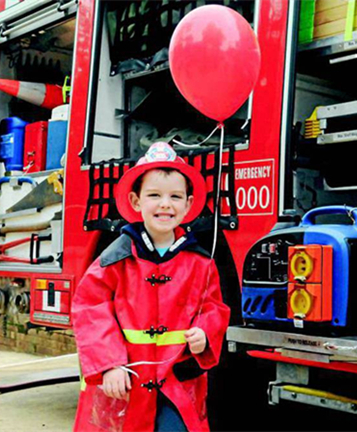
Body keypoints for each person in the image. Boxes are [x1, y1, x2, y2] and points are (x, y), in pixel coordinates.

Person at [72, 142, 230, 432]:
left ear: (188, 204)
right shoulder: (115, 259)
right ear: (136, 201)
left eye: (175, 196)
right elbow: (90, 308)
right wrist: (109, 364)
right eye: (154, 195)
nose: (165, 204)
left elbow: (213, 307)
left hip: (176, 381)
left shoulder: (201, 262)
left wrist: (205, 333)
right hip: (125, 381)